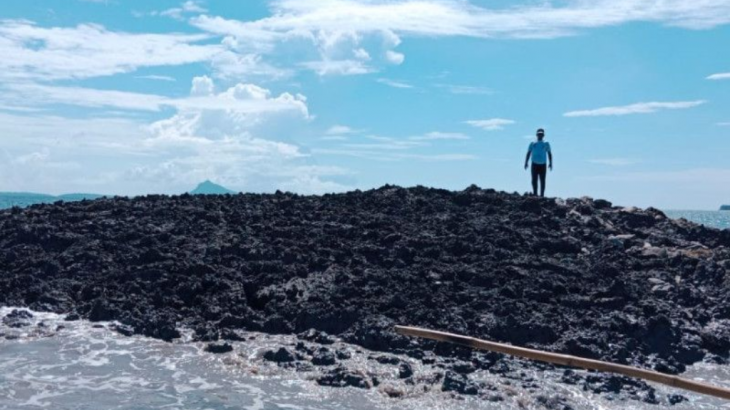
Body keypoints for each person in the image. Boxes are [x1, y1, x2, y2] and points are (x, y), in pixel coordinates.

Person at [524, 128, 553, 197]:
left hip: (543, 164)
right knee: (534, 180)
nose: (540, 135)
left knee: (542, 180)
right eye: (539, 134)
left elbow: (549, 153)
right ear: (536, 135)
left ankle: (542, 195)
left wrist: (550, 163)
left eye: (541, 134)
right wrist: (526, 162)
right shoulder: (533, 143)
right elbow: (528, 152)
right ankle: (535, 194)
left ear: (543, 135)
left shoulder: (546, 143)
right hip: (534, 164)